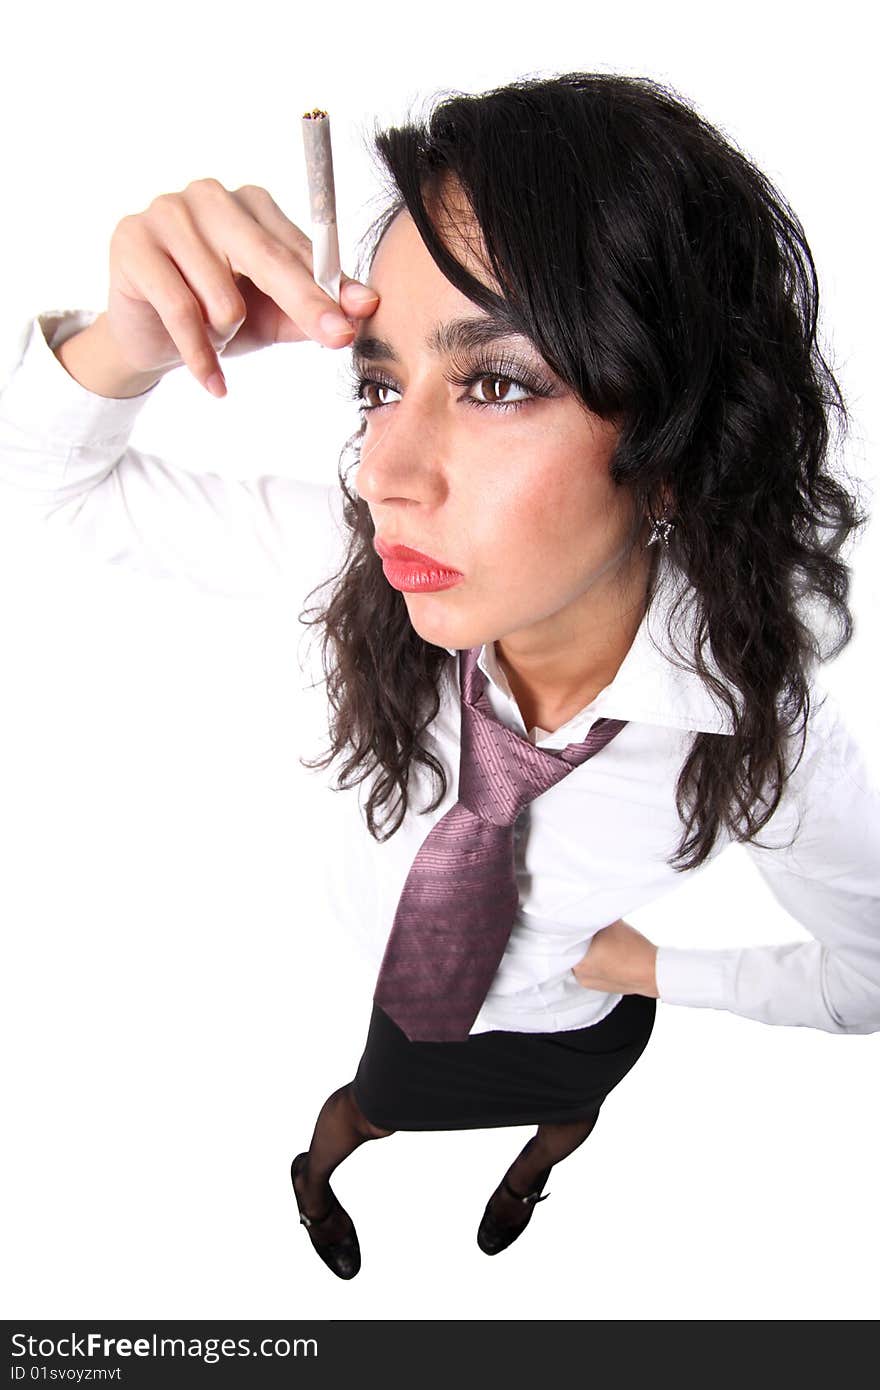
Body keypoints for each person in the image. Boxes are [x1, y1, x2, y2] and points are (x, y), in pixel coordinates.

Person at [1, 72, 878, 1284]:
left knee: (565, 1118)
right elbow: (51, 492)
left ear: (679, 448)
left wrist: (656, 971)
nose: (381, 471)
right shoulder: (359, 565)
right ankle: (315, 1184)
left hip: (574, 1022)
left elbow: (867, 974)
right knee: (364, 1109)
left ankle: (532, 1177)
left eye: (498, 383)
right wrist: (127, 342)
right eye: (377, 384)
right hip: (404, 1001)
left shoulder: (766, 744)